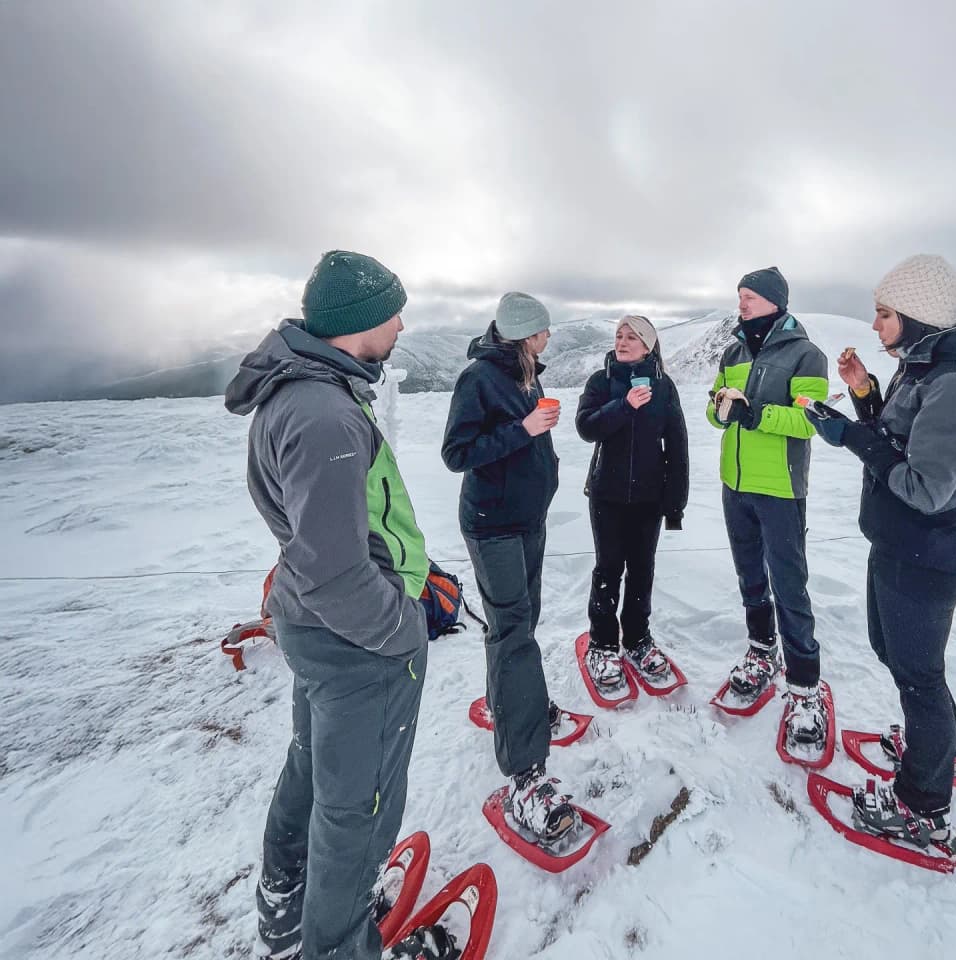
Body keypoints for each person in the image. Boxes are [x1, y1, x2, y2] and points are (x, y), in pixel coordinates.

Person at [225, 251, 437, 960]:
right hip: (356, 645)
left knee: (313, 769)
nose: (401, 323)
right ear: (356, 324)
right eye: (391, 313)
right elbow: (338, 574)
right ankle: (338, 943)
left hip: (316, 630)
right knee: (357, 811)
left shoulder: (308, 392)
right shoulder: (324, 417)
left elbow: (323, 540)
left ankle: (287, 910)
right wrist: (402, 629)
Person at [803, 254, 956, 847]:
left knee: (918, 676)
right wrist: (864, 396)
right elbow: (900, 437)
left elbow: (925, 487)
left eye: (883, 313)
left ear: (916, 315)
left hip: (927, 552)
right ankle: (944, 746)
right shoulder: (924, 366)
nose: (874, 325)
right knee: (896, 655)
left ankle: (922, 806)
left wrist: (850, 438)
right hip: (899, 546)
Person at [441, 292, 576, 844]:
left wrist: (539, 438)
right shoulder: (479, 379)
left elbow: (524, 435)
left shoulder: (525, 374)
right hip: (493, 523)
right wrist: (524, 431)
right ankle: (525, 771)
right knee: (514, 631)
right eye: (543, 332)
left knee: (520, 623)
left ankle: (511, 703)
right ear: (525, 334)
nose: (549, 339)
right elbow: (457, 453)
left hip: (526, 519)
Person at [708, 266, 830, 745]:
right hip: (733, 484)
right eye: (739, 295)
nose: (741, 303)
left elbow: (809, 421)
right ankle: (762, 650)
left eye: (750, 296)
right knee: (750, 579)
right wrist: (719, 408)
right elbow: (715, 409)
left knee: (789, 586)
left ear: (775, 302)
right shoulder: (733, 350)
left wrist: (753, 413)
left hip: (780, 488)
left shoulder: (807, 355)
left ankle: (804, 687)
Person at [575, 315, 689, 690]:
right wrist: (623, 406)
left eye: (632, 336)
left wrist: (675, 503)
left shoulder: (664, 387)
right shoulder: (601, 381)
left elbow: (677, 446)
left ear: (648, 345)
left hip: (649, 498)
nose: (622, 342)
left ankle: (637, 639)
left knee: (642, 569)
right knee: (608, 569)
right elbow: (586, 427)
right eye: (619, 335)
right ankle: (603, 644)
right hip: (606, 494)